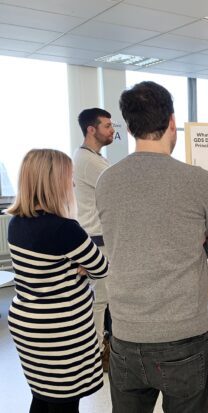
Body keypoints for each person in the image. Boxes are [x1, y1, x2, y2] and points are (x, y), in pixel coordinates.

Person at [95, 81, 208, 413]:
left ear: (128, 127)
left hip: (125, 333)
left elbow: (120, 241)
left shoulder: (107, 182)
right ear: (172, 122)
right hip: (185, 336)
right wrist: (191, 243)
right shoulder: (200, 181)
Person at [6, 149, 109, 413]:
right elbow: (101, 267)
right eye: (69, 177)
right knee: (65, 403)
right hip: (60, 328)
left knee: (42, 396)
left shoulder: (16, 222)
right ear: (52, 182)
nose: (72, 184)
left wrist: (74, 266)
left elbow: (42, 267)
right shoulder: (65, 229)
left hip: (27, 325)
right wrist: (79, 267)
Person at [73, 107, 114, 371]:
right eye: (108, 126)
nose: (112, 131)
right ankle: (99, 351)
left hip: (97, 236)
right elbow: (121, 186)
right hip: (98, 238)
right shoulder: (90, 161)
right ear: (92, 129)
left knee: (103, 298)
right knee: (102, 299)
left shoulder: (88, 157)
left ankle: (102, 345)